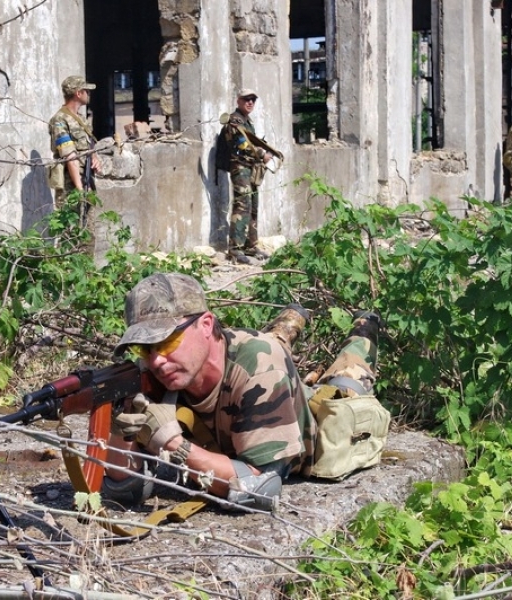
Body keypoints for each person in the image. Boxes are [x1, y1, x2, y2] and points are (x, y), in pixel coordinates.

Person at [103, 272, 380, 511]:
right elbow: (123, 491)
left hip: (308, 418)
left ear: (206, 324)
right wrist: (123, 429)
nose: (156, 361)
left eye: (167, 342)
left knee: (348, 378)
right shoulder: (155, 371)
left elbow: (261, 487)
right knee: (274, 343)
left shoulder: (260, 368)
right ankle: (291, 320)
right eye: (144, 348)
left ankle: (365, 326)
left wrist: (173, 444)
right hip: (256, 381)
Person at [220, 88, 280, 265]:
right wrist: (262, 153)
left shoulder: (248, 121)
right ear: (238, 101)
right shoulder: (234, 120)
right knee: (242, 205)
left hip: (251, 168)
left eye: (253, 99)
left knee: (253, 206)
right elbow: (241, 142)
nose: (250, 102)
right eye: (246, 99)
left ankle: (250, 245)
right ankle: (235, 249)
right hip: (240, 167)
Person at [48, 75, 101, 243]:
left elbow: (87, 146)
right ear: (78, 93)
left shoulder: (82, 119)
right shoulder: (60, 120)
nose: (89, 94)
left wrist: (95, 157)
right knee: (71, 234)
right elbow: (70, 156)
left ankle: (86, 269)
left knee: (88, 233)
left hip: (86, 181)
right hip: (71, 186)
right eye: (86, 91)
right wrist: (79, 190)